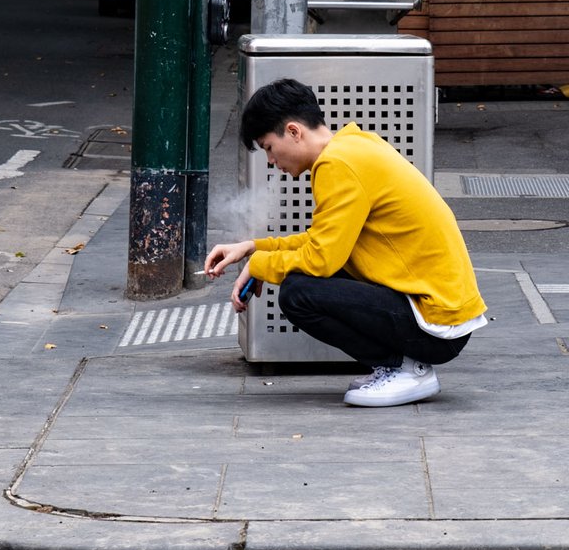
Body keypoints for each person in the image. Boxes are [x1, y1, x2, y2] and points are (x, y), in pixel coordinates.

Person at [204, 79, 488, 408]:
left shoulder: (337, 165)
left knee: (298, 294)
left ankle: (405, 369)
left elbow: (321, 259)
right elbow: (324, 240)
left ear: (294, 132)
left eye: (269, 147)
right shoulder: (353, 145)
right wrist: (254, 247)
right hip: (440, 310)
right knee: (301, 280)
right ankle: (401, 366)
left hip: (435, 324)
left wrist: (261, 267)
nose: (271, 161)